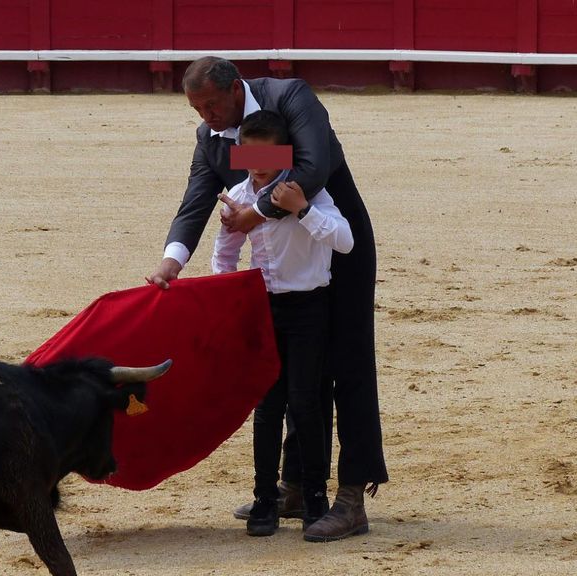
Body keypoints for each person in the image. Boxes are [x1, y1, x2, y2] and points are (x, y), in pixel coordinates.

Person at [147, 56, 388, 542]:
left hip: (336, 247)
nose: (206, 118)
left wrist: (256, 213)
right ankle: (298, 485)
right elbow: (197, 199)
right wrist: (173, 259)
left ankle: (352, 497)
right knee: (300, 375)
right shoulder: (213, 139)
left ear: (236, 89)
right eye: (196, 109)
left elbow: (313, 167)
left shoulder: (290, 98)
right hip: (284, 272)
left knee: (348, 366)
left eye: (211, 106)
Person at [211, 110, 350, 537]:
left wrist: (303, 210)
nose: (257, 161)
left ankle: (314, 499)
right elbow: (225, 251)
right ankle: (265, 499)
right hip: (263, 310)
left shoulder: (304, 190)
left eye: (266, 152)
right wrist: (229, 300)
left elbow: (345, 241)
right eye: (249, 153)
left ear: (283, 151)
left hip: (309, 310)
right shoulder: (237, 193)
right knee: (268, 408)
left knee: (307, 406)